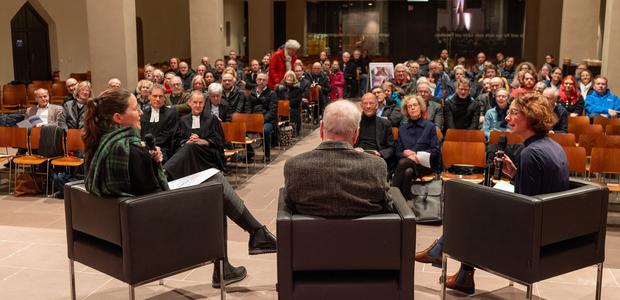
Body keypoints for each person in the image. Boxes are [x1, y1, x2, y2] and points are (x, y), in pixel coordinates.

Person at [83, 88, 276, 289]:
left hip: (122, 221)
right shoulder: (131, 151)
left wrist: (149, 159)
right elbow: (156, 196)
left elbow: (138, 184)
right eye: (135, 108)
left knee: (212, 178)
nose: (141, 112)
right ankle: (249, 241)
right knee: (216, 188)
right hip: (151, 224)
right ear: (118, 117)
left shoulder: (100, 144)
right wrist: (153, 163)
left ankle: (254, 238)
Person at [416, 92, 569, 295]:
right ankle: (461, 274)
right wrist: (515, 174)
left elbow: (525, 207)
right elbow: (538, 192)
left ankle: (442, 251)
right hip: (552, 226)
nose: (507, 117)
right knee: (478, 204)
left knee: (470, 210)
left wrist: (492, 204)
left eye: (514, 113)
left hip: (532, 234)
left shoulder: (530, 153)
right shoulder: (552, 146)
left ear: (531, 116)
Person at [283, 99, 393, 217]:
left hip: (309, 234)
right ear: (356, 134)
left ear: (321, 129)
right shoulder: (376, 166)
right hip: (366, 235)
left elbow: (290, 206)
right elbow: (387, 206)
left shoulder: (294, 166)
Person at [164, 91, 227, 178]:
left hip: (207, 155)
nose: (197, 105)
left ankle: (166, 171)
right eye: (195, 102)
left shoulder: (212, 119)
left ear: (204, 103)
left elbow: (220, 141)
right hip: (189, 153)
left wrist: (204, 141)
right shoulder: (183, 120)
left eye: (200, 102)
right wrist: (187, 142)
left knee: (191, 147)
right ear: (189, 103)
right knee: (190, 146)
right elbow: (176, 141)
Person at [392, 95, 440, 199]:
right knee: (408, 172)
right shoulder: (402, 129)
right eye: (409, 106)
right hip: (407, 165)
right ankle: (403, 203)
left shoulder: (430, 126)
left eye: (415, 105)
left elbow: (435, 151)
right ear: (406, 110)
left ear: (420, 107)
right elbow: (398, 152)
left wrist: (416, 155)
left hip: (424, 165)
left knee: (404, 162)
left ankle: (391, 196)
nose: (412, 108)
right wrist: (404, 153)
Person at [354, 93, 395, 170]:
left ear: (377, 105)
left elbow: (391, 148)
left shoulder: (385, 123)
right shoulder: (354, 122)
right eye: (365, 103)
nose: (368, 106)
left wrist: (380, 154)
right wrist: (354, 149)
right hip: (357, 157)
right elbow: (347, 143)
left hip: (377, 158)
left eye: (371, 103)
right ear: (361, 105)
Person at [140, 84, 178, 160]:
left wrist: (151, 146)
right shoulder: (143, 114)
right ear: (149, 96)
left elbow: (168, 135)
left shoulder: (171, 113)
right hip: (144, 149)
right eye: (155, 96)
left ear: (164, 98)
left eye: (160, 96)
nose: (158, 99)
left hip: (164, 149)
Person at [250, 73, 277, 161]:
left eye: (264, 80)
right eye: (259, 79)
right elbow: (248, 107)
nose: (261, 82)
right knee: (239, 129)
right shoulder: (251, 92)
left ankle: (266, 154)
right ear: (256, 80)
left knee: (265, 130)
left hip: (267, 121)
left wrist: (262, 120)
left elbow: (272, 111)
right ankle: (249, 153)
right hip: (253, 120)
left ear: (267, 81)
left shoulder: (271, 94)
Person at [275, 71, 303, 136]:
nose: (289, 78)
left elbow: (297, 100)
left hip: (293, 108)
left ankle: (293, 131)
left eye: (291, 77)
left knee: (292, 112)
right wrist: (284, 105)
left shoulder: (298, 89)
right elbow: (277, 99)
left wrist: (288, 104)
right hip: (282, 108)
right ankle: (281, 132)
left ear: (294, 79)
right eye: (288, 77)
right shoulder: (280, 89)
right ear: (285, 78)